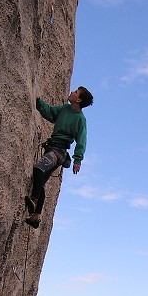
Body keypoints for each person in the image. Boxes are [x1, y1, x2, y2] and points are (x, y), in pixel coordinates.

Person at [25, 86, 94, 228]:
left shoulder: (80, 120)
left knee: (38, 168)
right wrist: (37, 101)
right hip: (52, 148)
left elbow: (82, 140)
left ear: (78, 99)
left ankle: (35, 200)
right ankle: (36, 217)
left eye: (75, 92)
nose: (72, 92)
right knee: (40, 182)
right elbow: (50, 113)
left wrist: (78, 160)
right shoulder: (65, 109)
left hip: (59, 152)